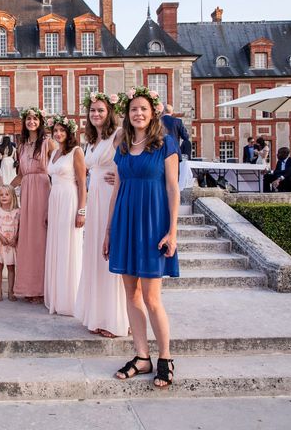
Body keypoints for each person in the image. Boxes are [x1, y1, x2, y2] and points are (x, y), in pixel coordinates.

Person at [103, 86, 179, 389]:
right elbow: (117, 189)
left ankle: (166, 358)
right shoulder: (122, 146)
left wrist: (172, 231)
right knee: (130, 295)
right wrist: (108, 231)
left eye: (143, 109)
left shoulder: (165, 143)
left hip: (152, 224)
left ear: (153, 113)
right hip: (125, 222)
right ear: (127, 114)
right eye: (133, 109)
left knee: (151, 298)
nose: (138, 113)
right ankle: (142, 356)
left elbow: (173, 188)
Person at [74, 92, 129, 339]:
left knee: (110, 258)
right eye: (93, 110)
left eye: (101, 110)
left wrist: (120, 176)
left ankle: (115, 319)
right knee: (95, 256)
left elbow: (131, 160)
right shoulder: (91, 141)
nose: (96, 114)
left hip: (109, 196)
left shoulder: (117, 135)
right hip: (94, 197)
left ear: (109, 113)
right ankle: (97, 314)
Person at [10, 107, 56, 303]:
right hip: (27, 192)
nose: (32, 122)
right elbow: (20, 175)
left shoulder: (48, 143)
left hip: (44, 190)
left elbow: (58, 168)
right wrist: (6, 187)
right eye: (28, 118)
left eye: (35, 119)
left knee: (41, 239)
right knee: (27, 239)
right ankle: (29, 288)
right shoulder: (21, 146)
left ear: (40, 121)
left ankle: (42, 289)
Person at [44, 116, 86, 316]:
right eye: (56, 131)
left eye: (62, 130)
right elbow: (51, 182)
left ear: (69, 133)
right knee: (56, 246)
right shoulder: (54, 153)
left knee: (69, 248)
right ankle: (56, 296)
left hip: (70, 199)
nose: (58, 134)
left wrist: (82, 210)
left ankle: (71, 299)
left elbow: (82, 183)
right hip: (55, 200)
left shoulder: (76, 152)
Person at [0, 184, 20, 302]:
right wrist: (0, 236)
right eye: (1, 194)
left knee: (11, 267)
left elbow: (21, 227)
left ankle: (11, 292)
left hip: (12, 244)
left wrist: (15, 238)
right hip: (0, 243)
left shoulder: (18, 211)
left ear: (12, 196)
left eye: (7, 194)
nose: (3, 197)